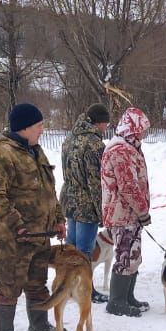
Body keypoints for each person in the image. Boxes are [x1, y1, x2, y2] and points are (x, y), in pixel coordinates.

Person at [0, 103, 67, 331]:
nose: (42, 130)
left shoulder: (36, 151)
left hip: (42, 233)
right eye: (39, 125)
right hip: (15, 237)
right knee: (10, 283)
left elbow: (50, 191)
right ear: (25, 127)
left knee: (37, 282)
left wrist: (58, 220)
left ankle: (39, 325)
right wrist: (17, 225)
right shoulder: (3, 154)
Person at [100, 107, 153, 316]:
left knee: (133, 255)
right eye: (143, 129)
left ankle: (128, 297)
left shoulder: (129, 147)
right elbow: (128, 186)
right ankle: (116, 302)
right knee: (125, 256)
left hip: (130, 213)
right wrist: (142, 211)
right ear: (133, 127)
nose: (144, 134)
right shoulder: (120, 151)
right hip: (122, 214)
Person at [60, 103, 111, 302]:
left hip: (70, 199)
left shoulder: (69, 138)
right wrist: (102, 211)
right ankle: (85, 290)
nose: (106, 128)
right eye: (106, 124)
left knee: (71, 247)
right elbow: (96, 182)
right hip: (87, 204)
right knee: (84, 251)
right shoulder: (94, 144)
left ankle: (69, 285)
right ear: (99, 123)